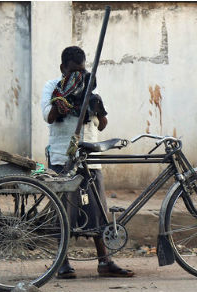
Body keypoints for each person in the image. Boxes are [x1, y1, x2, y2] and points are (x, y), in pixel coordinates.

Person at [41, 46, 134, 279]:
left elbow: (102, 125)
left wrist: (92, 105)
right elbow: (49, 117)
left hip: (90, 158)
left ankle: (104, 260)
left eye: (81, 71)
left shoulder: (90, 88)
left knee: (97, 210)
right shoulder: (53, 88)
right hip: (63, 157)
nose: (77, 76)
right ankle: (62, 262)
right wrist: (65, 100)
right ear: (63, 68)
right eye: (73, 71)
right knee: (64, 211)